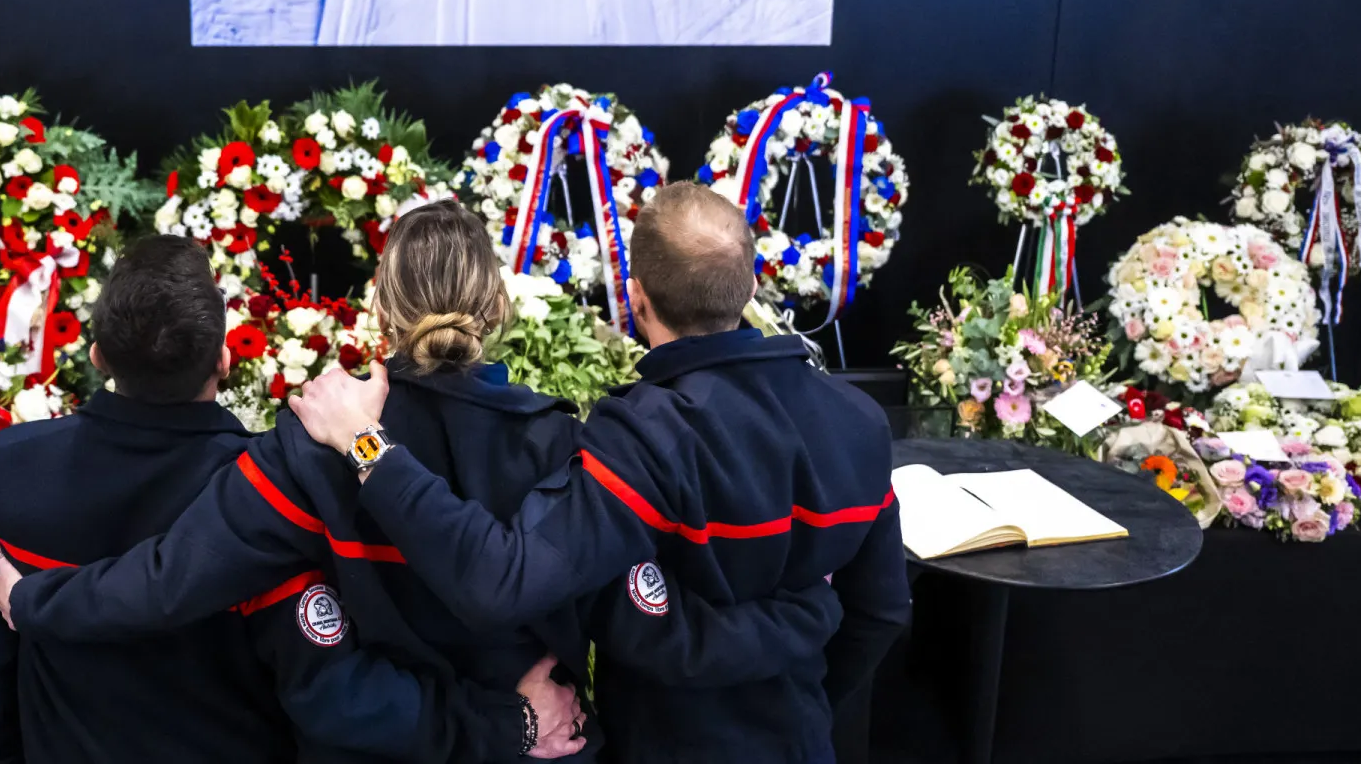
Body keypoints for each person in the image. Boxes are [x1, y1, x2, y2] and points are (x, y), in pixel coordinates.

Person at [0, 202, 846, 760]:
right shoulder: (569, 446)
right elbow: (652, 629)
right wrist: (811, 611)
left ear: (381, 309)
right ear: (499, 307)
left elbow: (169, 578)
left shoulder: (311, 445)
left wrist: (40, 601)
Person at [285, 182, 911, 762]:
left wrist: (368, 448)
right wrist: (806, 627)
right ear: (752, 287)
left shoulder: (640, 435)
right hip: (801, 735)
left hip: (658, 741)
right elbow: (880, 611)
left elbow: (559, 597)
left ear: (635, 299)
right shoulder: (861, 421)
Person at [0, 234, 577, 764]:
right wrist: (507, 726)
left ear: (98, 355)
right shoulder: (564, 442)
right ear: (223, 358)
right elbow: (324, 682)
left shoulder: (5, 467)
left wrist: (30, 601)